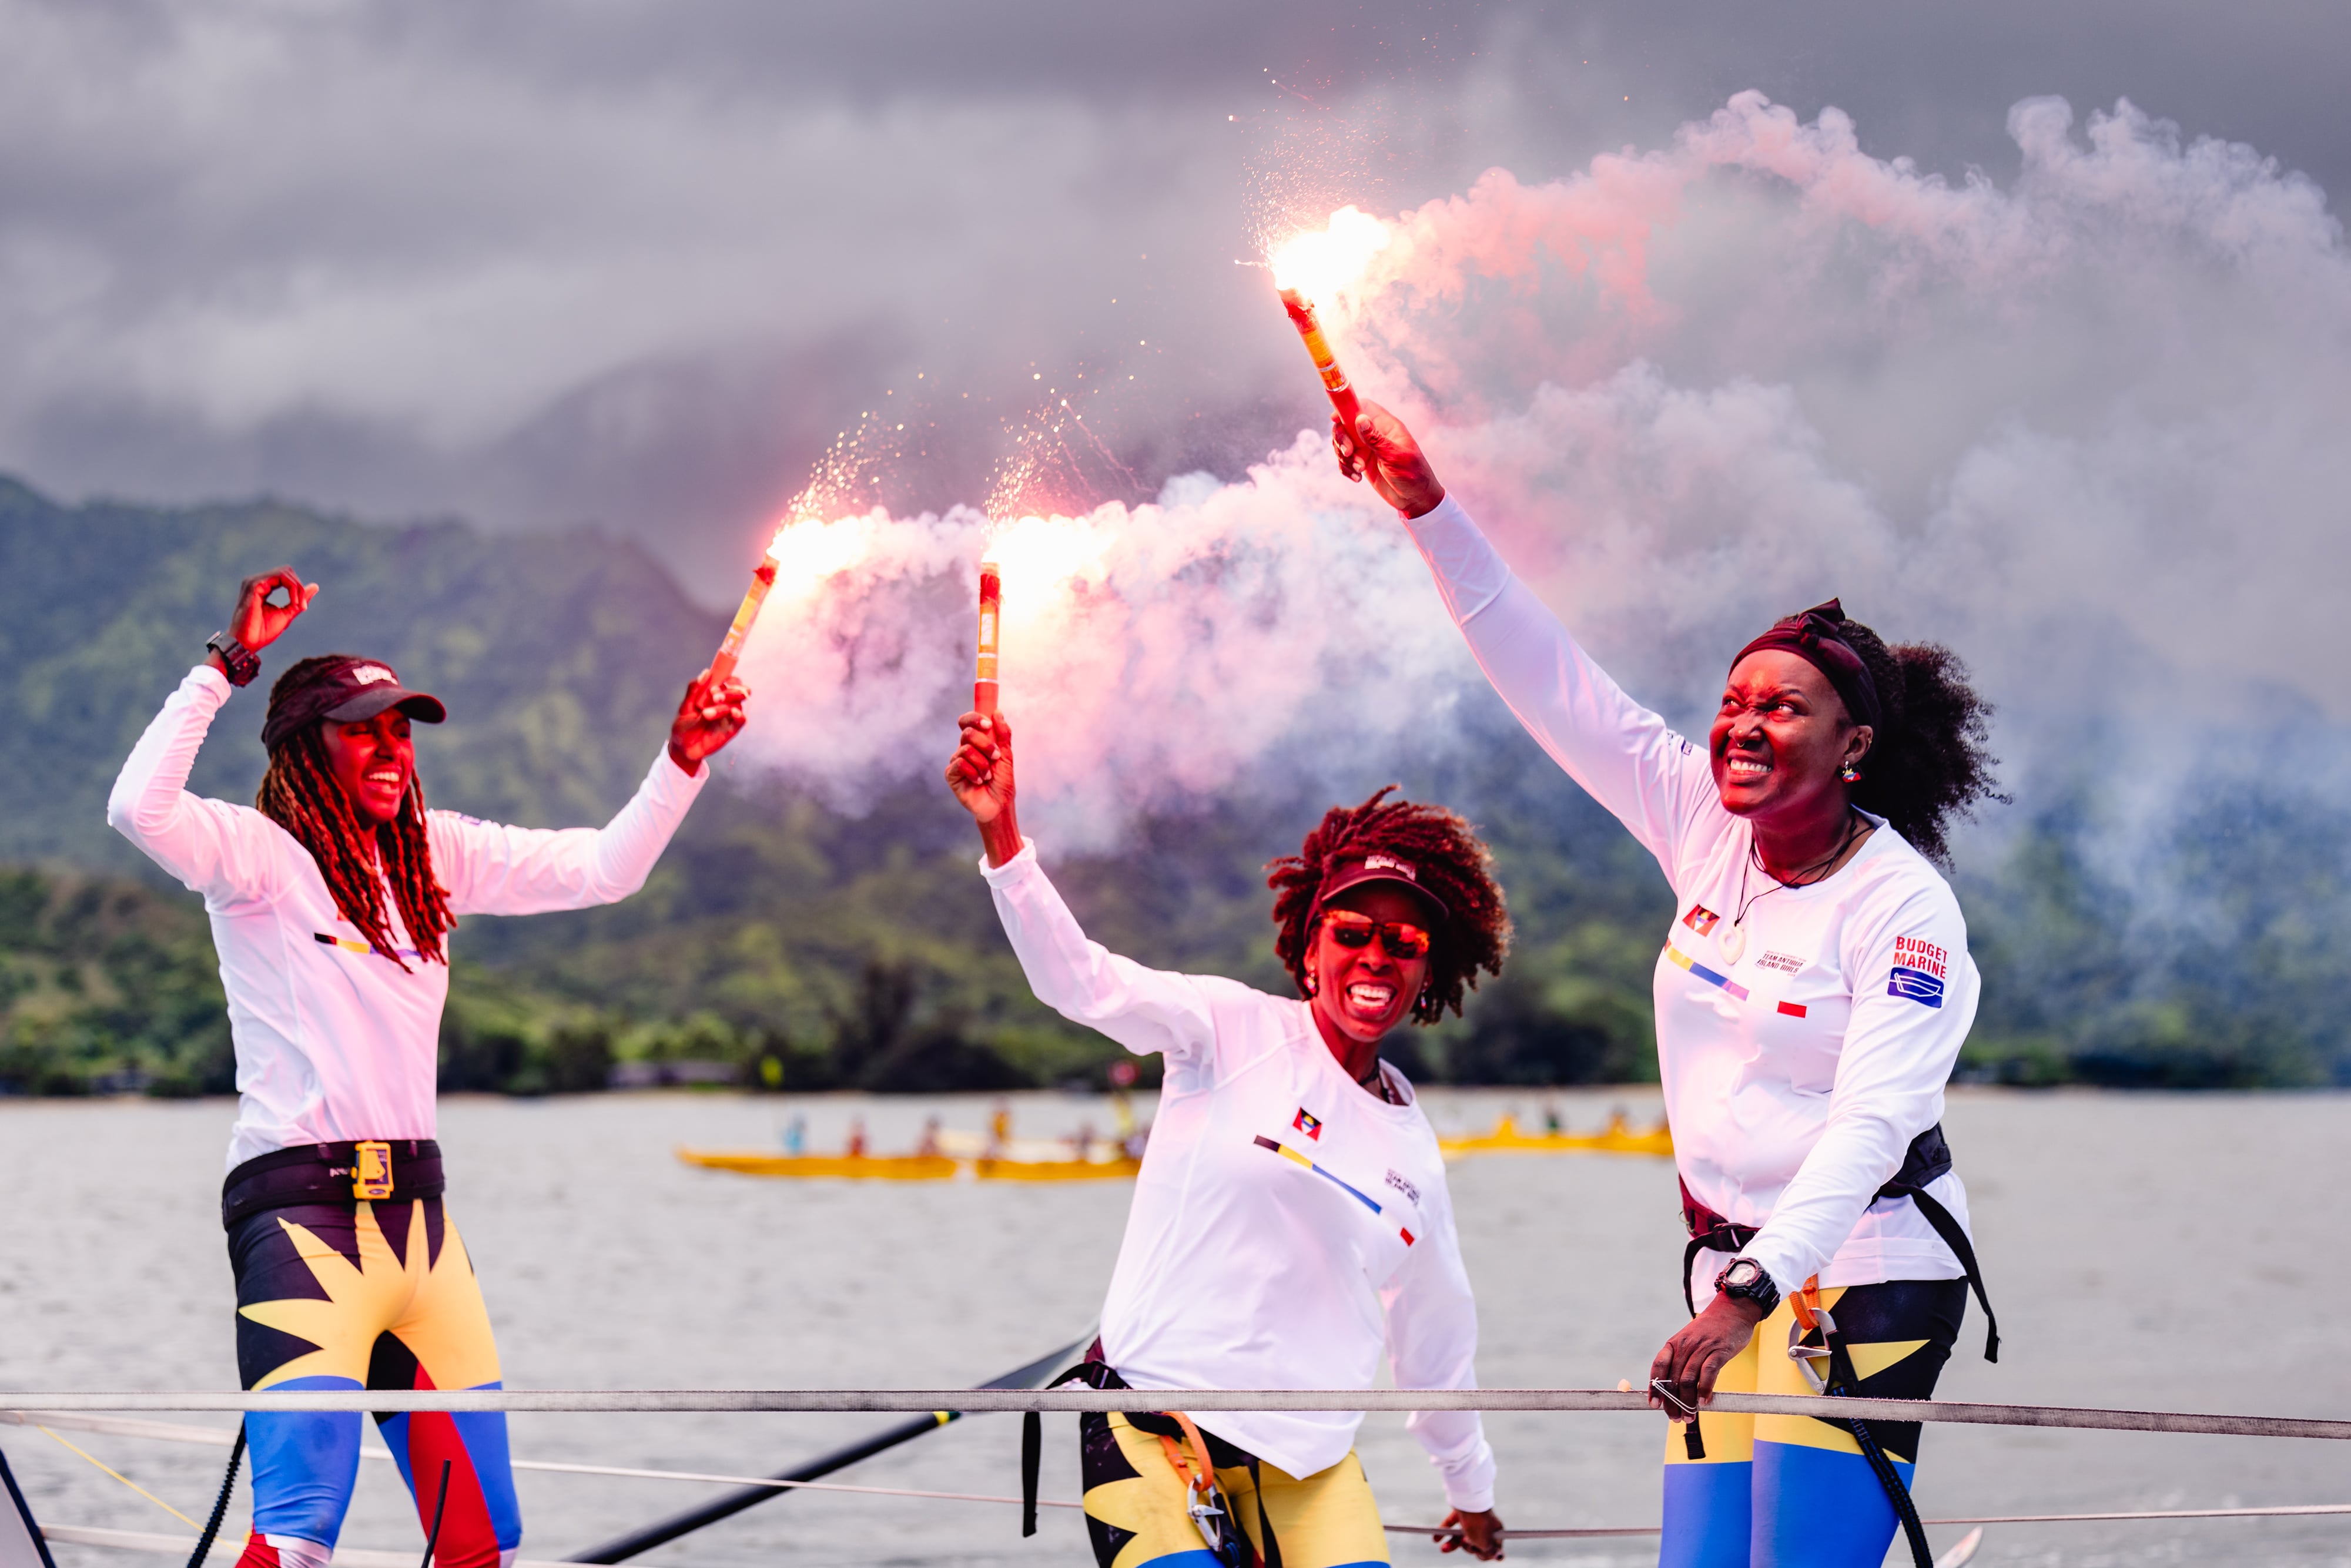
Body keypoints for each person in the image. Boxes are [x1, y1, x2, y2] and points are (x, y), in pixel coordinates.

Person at [1331, 406, 2002, 1568]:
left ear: (1851, 746)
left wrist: (1743, 1295)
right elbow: (1545, 675)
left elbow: (1871, 1125)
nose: (1740, 724)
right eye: (1734, 699)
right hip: (1721, 1275)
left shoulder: (1901, 912)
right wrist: (1425, 506)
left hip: (1864, 1275)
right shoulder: (1699, 818)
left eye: (1780, 706)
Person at [107, 568, 749, 1568]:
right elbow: (135, 811)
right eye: (363, 729)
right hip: (303, 1225)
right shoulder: (258, 858)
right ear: (303, 746)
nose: (390, 750)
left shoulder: (434, 858)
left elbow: (604, 870)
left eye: (401, 732)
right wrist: (227, 664)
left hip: (424, 1235)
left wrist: (681, 762)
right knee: (297, 1539)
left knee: (481, 1545)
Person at [948, 711, 1512, 1565]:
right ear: (1310, 950)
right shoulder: (1226, 1031)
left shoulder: (1415, 1154)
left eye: (1404, 942)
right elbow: (1080, 981)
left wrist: (1471, 1494)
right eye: (1352, 933)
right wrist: (1003, 835)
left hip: (1308, 1465)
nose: (1376, 957)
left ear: (1428, 970)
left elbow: (1437, 1341)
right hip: (1152, 1429)